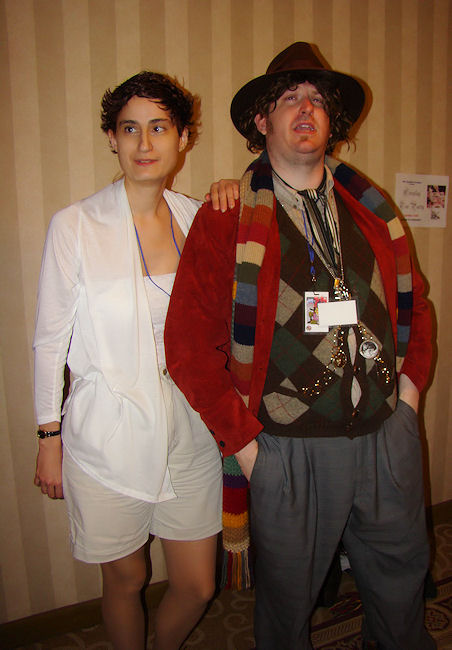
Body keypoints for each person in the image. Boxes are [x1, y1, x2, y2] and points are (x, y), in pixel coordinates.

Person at [165, 43, 435, 649]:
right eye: (290, 97)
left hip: (386, 434)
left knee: (401, 586)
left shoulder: (373, 211)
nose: (306, 108)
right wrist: (248, 447)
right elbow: (186, 347)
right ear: (262, 120)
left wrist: (409, 398)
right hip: (287, 449)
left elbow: (416, 305)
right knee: (286, 610)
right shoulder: (228, 217)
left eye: (316, 98)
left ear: (332, 121)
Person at [33, 71, 235, 650]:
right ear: (112, 139)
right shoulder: (75, 226)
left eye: (159, 128)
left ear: (183, 139)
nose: (144, 144)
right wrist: (48, 436)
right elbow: (49, 340)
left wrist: (241, 186)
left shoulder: (198, 218)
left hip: (190, 427)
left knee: (197, 584)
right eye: (129, 129)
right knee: (126, 578)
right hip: (110, 430)